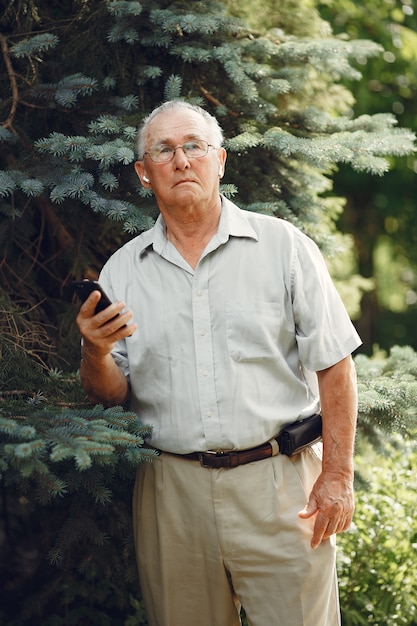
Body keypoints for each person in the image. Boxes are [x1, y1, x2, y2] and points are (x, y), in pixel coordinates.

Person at [76, 100, 362, 626]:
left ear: (221, 160)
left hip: (281, 489)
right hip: (171, 494)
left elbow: (335, 366)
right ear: (144, 174)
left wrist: (338, 475)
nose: (181, 160)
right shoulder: (123, 269)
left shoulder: (284, 247)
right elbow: (108, 395)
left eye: (194, 146)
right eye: (163, 150)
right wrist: (95, 351)